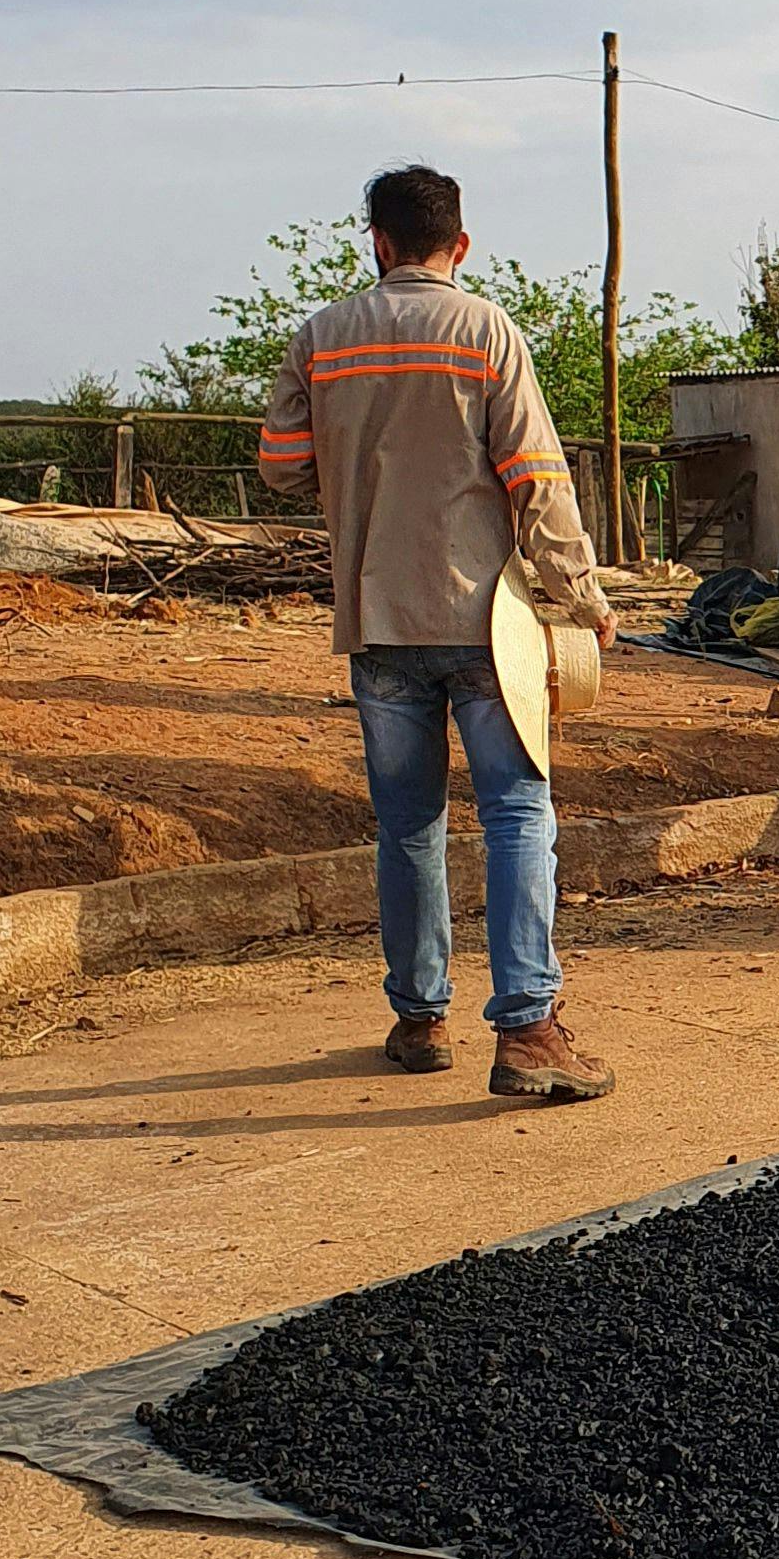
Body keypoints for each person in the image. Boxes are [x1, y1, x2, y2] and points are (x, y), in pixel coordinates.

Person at [258, 162, 618, 1102]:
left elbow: (281, 467)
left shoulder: (322, 337)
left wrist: (359, 465)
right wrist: (581, 595)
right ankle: (530, 1031)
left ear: (376, 241)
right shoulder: (485, 331)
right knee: (516, 813)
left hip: (377, 619)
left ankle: (420, 1018)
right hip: (486, 621)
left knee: (409, 826)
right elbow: (536, 476)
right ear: (460, 245)